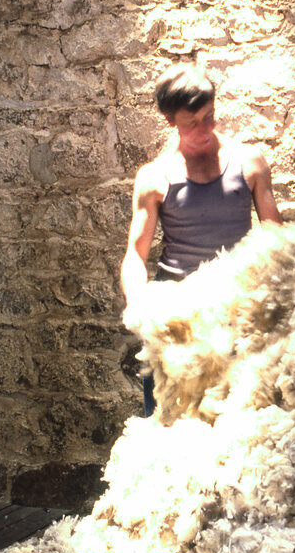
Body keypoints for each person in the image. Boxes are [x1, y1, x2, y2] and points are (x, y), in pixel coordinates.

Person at [120, 66, 283, 415]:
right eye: (192, 123)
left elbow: (278, 239)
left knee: (240, 415)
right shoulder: (155, 176)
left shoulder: (249, 162)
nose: (205, 128)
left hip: (237, 306)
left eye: (209, 116)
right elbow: (135, 253)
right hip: (178, 312)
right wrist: (139, 307)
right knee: (169, 416)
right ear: (170, 121)